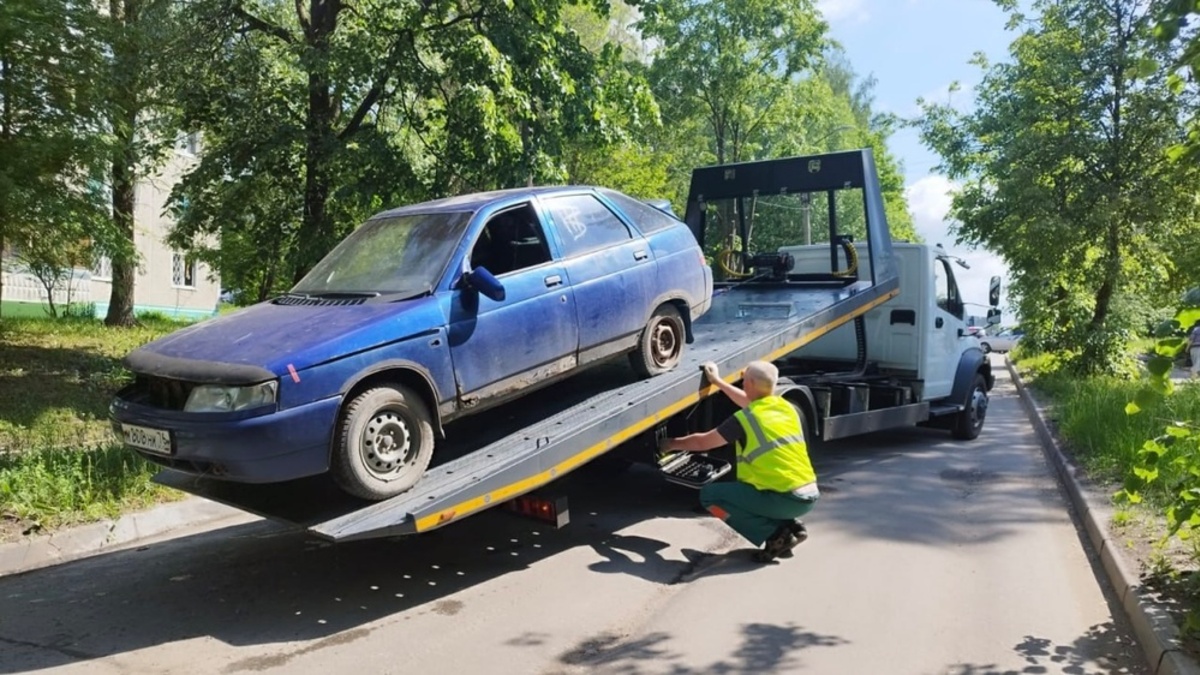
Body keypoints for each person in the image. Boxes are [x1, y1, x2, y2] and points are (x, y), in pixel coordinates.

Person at [659, 360, 819, 562]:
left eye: (744, 380)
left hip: (784, 499)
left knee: (709, 496)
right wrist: (717, 381)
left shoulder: (746, 419)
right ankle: (791, 526)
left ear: (749, 383)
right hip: (807, 496)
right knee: (759, 493)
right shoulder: (784, 408)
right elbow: (748, 400)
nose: (742, 383)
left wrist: (670, 443)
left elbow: (703, 442)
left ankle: (776, 536)